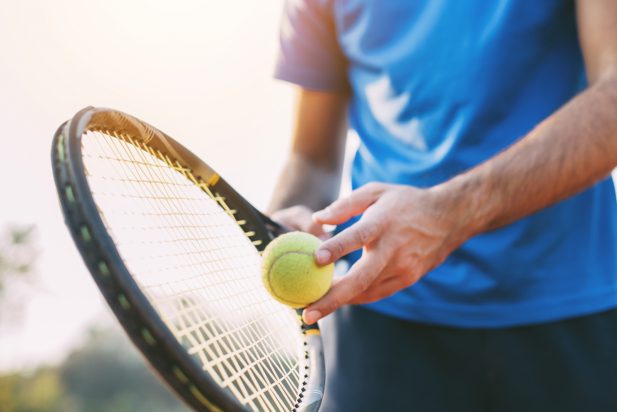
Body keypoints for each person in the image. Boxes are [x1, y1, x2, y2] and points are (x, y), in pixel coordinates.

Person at [268, 1, 617, 411]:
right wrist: (291, 215)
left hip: (566, 313)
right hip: (381, 327)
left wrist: (447, 213)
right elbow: (312, 157)